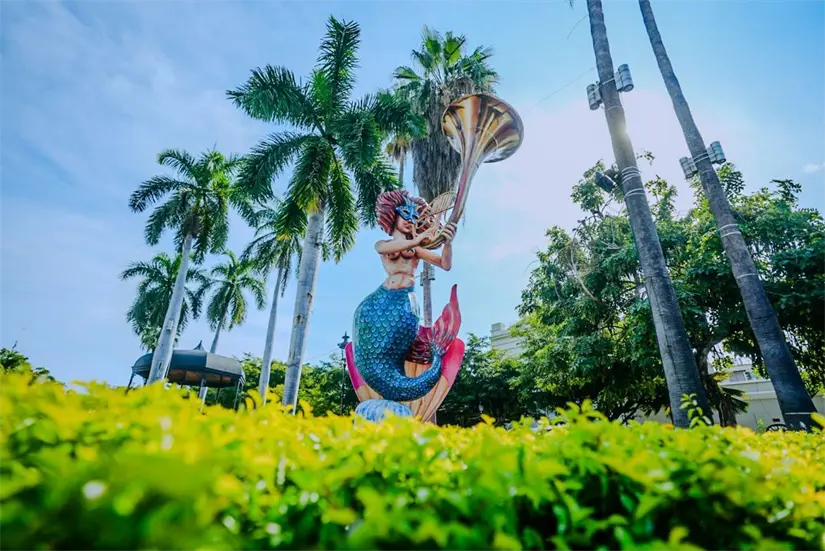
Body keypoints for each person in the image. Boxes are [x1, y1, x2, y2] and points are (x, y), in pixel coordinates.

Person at [351, 190, 458, 402]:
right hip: (378, 304)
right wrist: (416, 240)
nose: (410, 221)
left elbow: (445, 264)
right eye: (405, 215)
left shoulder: (416, 249)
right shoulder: (383, 244)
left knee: (397, 351)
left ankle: (411, 370)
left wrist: (448, 243)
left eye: (414, 217)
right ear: (393, 215)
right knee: (375, 352)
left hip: (405, 303)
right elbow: (390, 247)